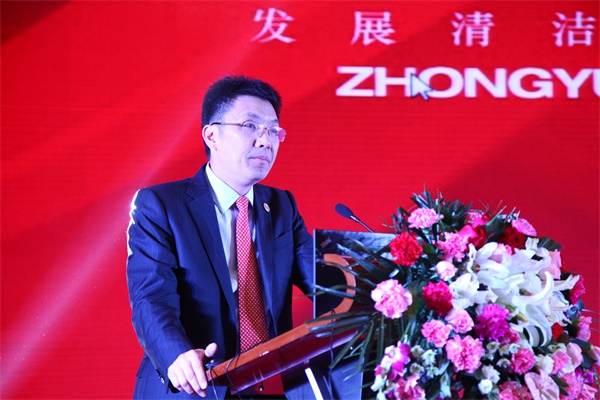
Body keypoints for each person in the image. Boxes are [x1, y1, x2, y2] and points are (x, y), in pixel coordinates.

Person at [127, 75, 356, 399]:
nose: (265, 141)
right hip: (195, 384)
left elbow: (324, 280)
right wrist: (177, 355)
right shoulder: (162, 205)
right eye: (250, 126)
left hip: (267, 384)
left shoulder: (281, 205)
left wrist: (392, 283)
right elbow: (151, 297)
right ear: (212, 135)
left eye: (274, 130)